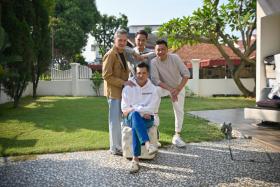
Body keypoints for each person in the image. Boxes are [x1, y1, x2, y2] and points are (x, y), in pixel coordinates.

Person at [151, 39, 191, 148]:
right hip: (165, 87)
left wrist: (177, 90)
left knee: (179, 110)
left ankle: (177, 136)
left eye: (163, 49)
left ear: (167, 50)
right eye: (158, 50)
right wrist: (170, 90)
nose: (161, 52)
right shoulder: (154, 62)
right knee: (155, 91)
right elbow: (155, 80)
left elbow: (186, 74)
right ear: (155, 51)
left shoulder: (175, 58)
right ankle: (154, 133)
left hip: (178, 87)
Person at [102, 29, 135, 156]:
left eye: (124, 40)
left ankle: (120, 146)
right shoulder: (110, 54)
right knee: (114, 121)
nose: (122, 42)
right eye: (119, 40)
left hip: (122, 93)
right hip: (114, 93)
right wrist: (123, 82)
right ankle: (114, 148)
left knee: (121, 120)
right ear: (114, 40)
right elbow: (106, 76)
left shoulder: (123, 53)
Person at [121, 62, 159, 173]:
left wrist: (134, 108)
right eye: (138, 73)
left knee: (135, 123)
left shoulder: (153, 89)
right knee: (135, 116)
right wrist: (140, 111)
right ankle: (148, 144)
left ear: (148, 74)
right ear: (135, 73)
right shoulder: (128, 87)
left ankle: (135, 160)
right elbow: (124, 109)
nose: (140, 75)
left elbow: (151, 109)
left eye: (143, 73)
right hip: (130, 117)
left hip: (148, 119)